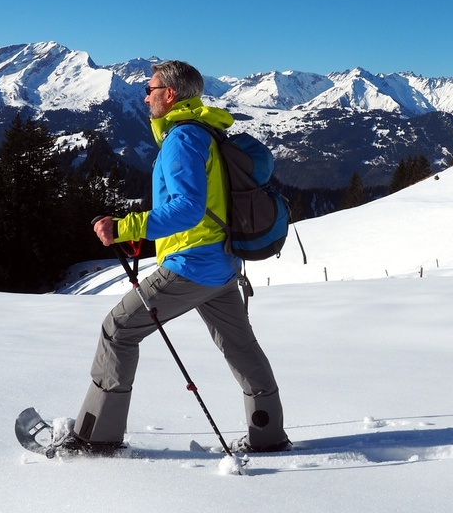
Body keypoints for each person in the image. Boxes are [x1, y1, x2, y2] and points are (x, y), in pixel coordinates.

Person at [65, 60, 290, 454]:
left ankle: (96, 437)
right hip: (221, 266)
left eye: (150, 90)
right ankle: (267, 435)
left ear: (169, 94)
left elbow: (187, 209)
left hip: (191, 266)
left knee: (117, 331)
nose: (146, 96)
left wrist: (124, 228)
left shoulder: (182, 139)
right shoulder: (206, 131)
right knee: (242, 349)